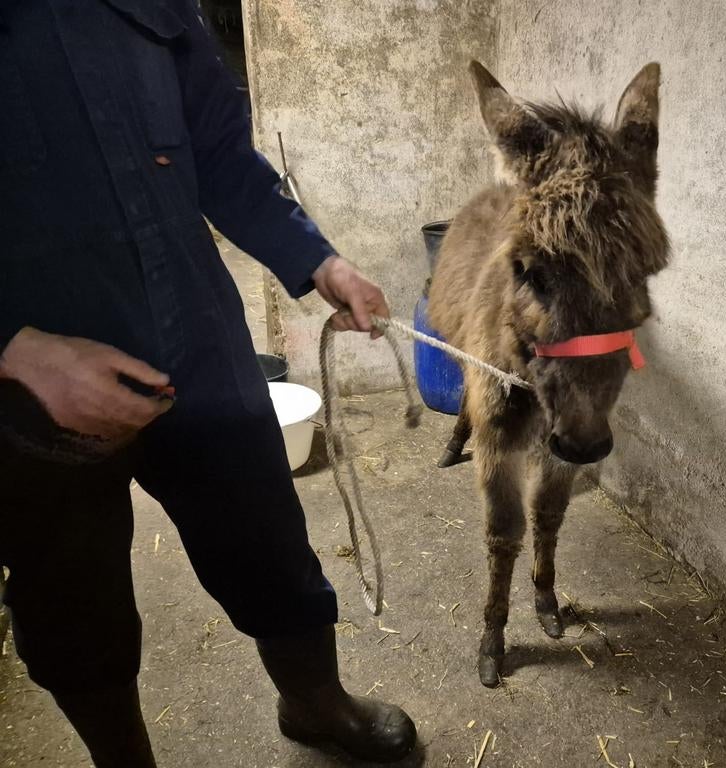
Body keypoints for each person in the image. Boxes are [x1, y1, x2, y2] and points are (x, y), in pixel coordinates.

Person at [0, 0, 417, 765]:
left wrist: (318, 261)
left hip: (193, 323)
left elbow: (220, 151)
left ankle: (314, 703)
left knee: (266, 534)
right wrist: (17, 352)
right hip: (32, 373)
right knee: (67, 584)